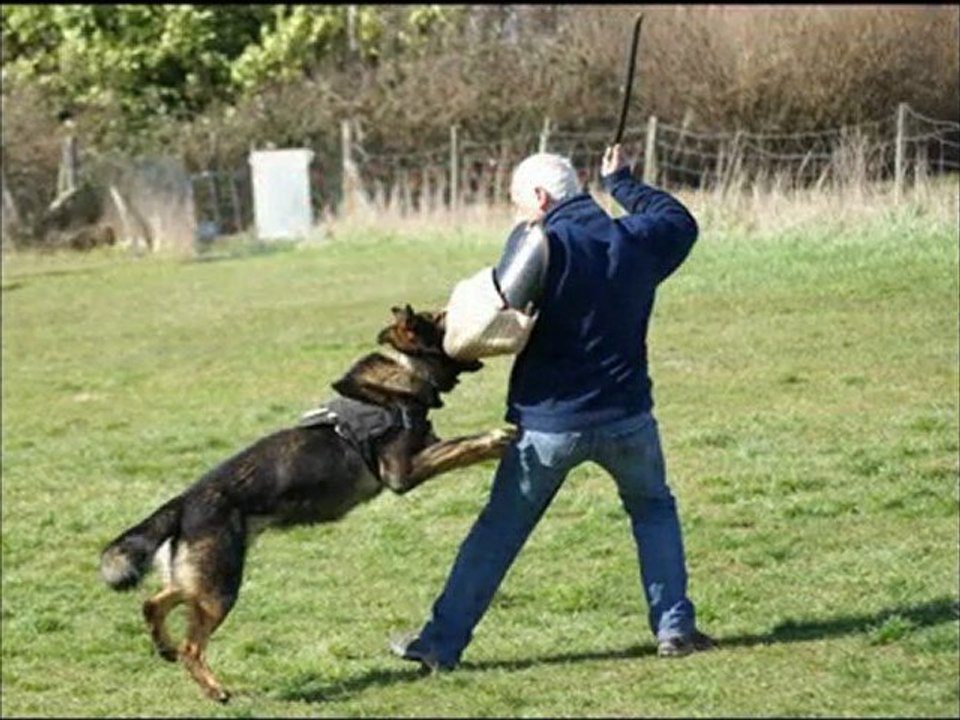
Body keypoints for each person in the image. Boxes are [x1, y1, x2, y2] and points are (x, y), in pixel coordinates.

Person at [390, 144, 713, 671]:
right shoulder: (636, 239)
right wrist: (622, 183)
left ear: (540, 197)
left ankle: (440, 644)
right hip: (629, 417)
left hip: (548, 424)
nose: (519, 216)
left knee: (498, 532)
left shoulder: (538, 244)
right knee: (653, 510)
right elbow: (679, 220)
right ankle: (674, 628)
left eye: (520, 204)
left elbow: (496, 317)